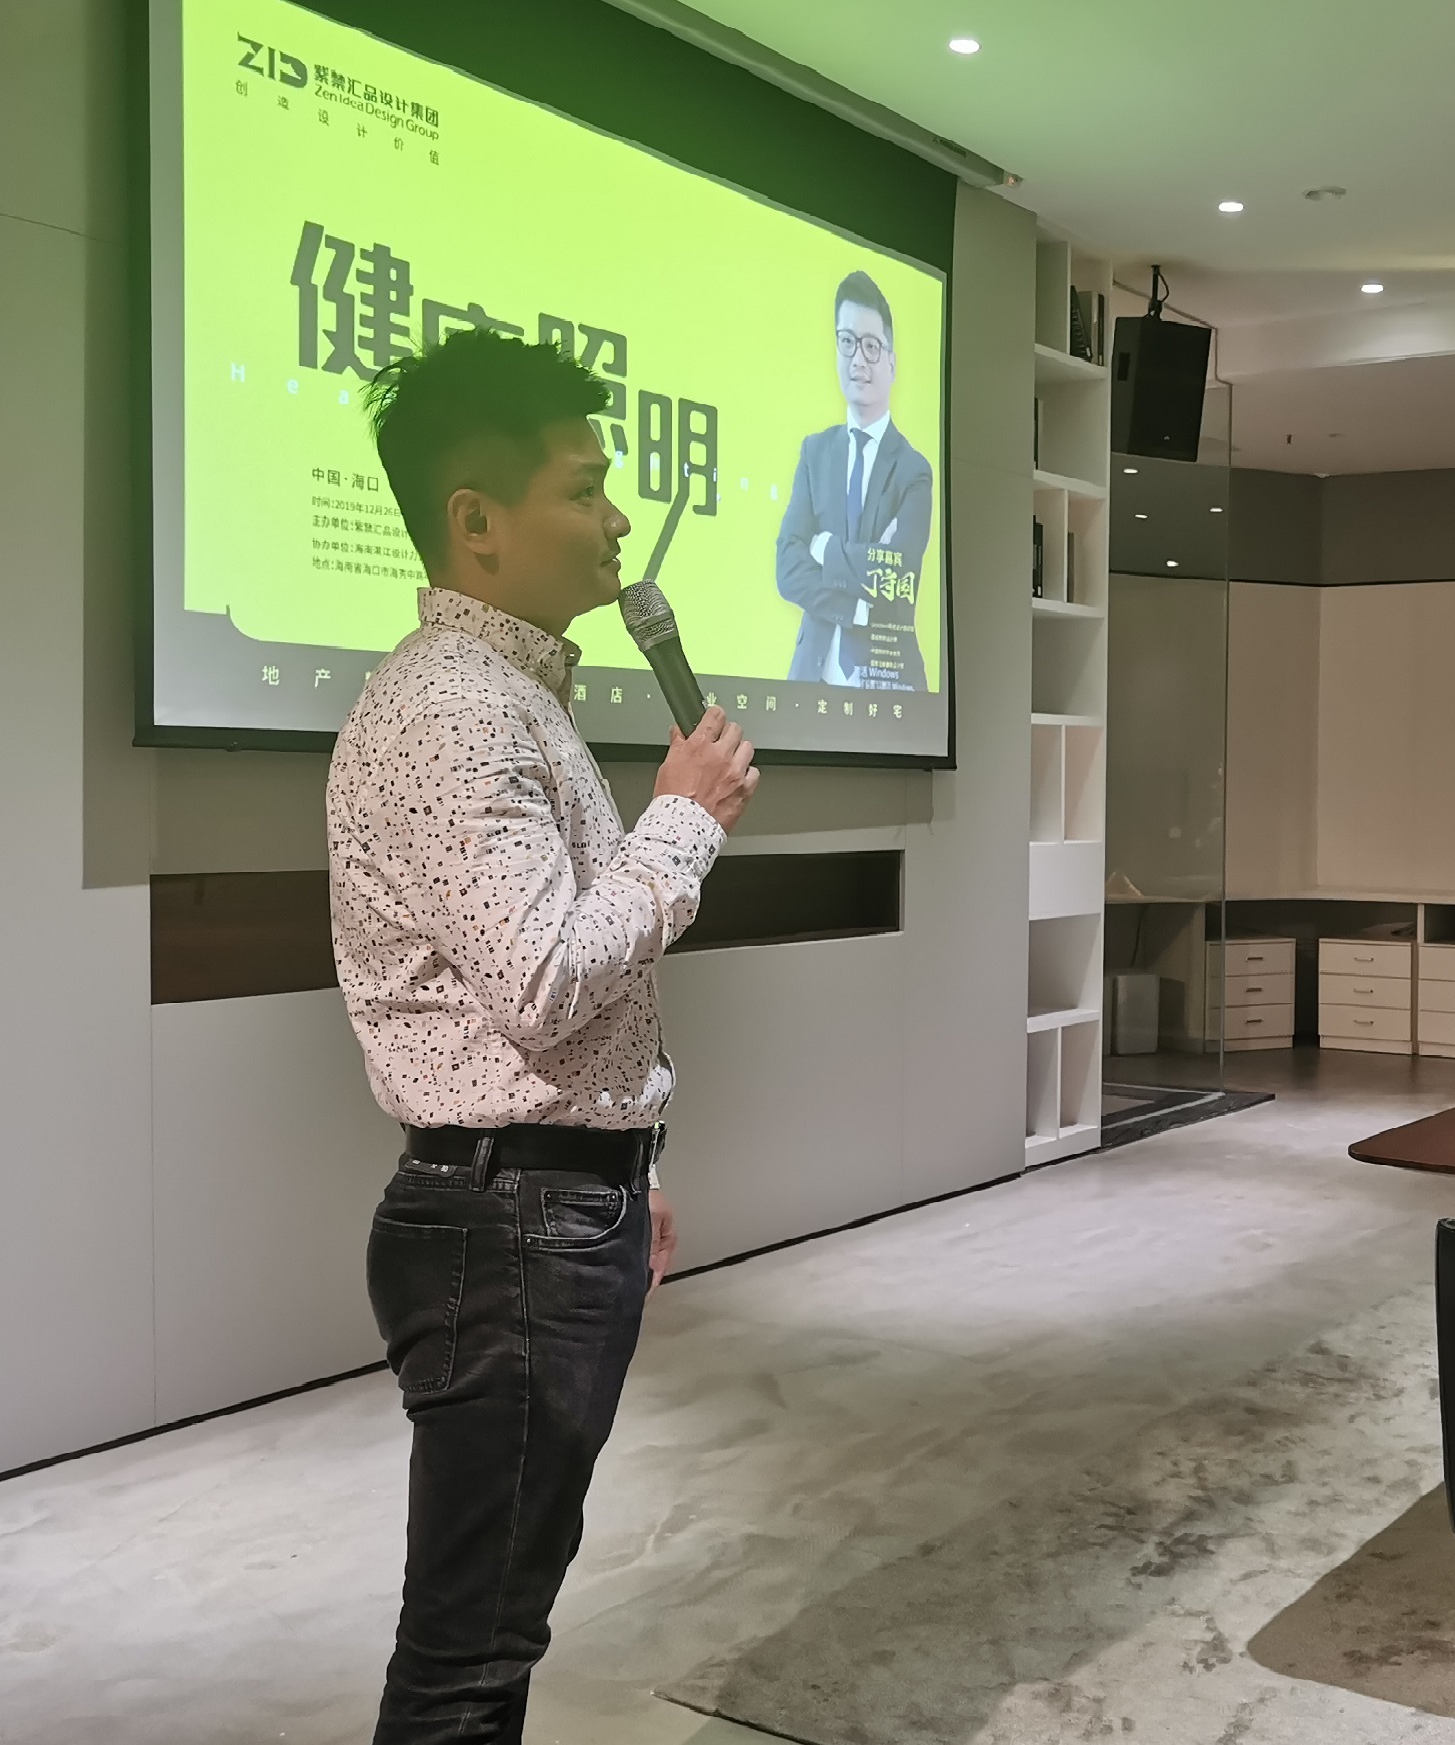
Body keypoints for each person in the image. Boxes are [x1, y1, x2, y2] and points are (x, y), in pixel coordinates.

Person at [327, 329, 758, 1743]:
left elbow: (546, 996)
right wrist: (683, 818)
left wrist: (623, 1159)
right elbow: (545, 975)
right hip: (506, 1230)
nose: (618, 518)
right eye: (583, 488)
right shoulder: (455, 707)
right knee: (471, 1648)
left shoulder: (510, 696)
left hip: (539, 1201)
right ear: (477, 520)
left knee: (493, 1623)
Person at [775, 269, 933, 689]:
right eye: (847, 342)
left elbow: (898, 577)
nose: (858, 359)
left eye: (871, 346)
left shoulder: (914, 470)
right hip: (810, 680)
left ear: (892, 363)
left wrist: (824, 548)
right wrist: (855, 609)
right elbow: (787, 568)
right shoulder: (815, 452)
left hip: (889, 680)